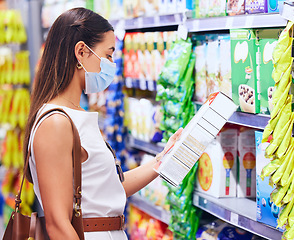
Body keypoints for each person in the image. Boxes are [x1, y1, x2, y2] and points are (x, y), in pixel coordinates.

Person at [23, 7, 183, 240]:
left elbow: (106, 190)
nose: (111, 64)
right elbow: (58, 225)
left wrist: (164, 159)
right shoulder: (56, 122)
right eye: (108, 55)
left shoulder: (75, 114)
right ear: (81, 51)